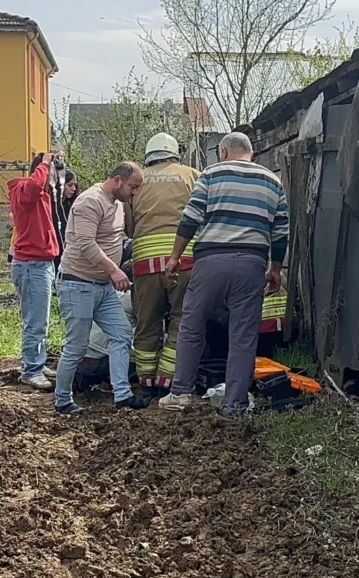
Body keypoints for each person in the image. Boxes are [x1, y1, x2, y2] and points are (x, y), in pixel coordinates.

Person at [159, 132, 290, 419]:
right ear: (251, 154)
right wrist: (275, 270)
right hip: (252, 264)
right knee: (243, 337)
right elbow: (281, 232)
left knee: (192, 325)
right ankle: (235, 406)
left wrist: (174, 257)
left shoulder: (212, 173)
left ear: (223, 151)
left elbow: (191, 217)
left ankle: (180, 394)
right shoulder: (273, 181)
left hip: (211, 262)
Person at [53, 161, 147, 415]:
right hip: (78, 283)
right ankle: (62, 399)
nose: (134, 193)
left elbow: (116, 239)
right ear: (118, 180)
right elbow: (85, 243)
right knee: (76, 345)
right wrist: (115, 270)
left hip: (102, 287)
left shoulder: (117, 205)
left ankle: (122, 394)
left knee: (121, 334)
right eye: (133, 187)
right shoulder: (90, 201)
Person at [127, 132, 201, 397]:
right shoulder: (192, 175)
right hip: (184, 261)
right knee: (182, 320)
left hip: (144, 264)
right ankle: (168, 380)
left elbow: (129, 225)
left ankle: (145, 381)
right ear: (174, 154)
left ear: (149, 155)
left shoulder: (136, 180)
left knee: (146, 323)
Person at [8, 153, 61, 391]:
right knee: (35, 321)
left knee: (41, 319)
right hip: (31, 264)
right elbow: (33, 188)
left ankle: (36, 362)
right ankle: (31, 369)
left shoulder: (43, 195)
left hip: (41, 263)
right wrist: (45, 163)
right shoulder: (23, 189)